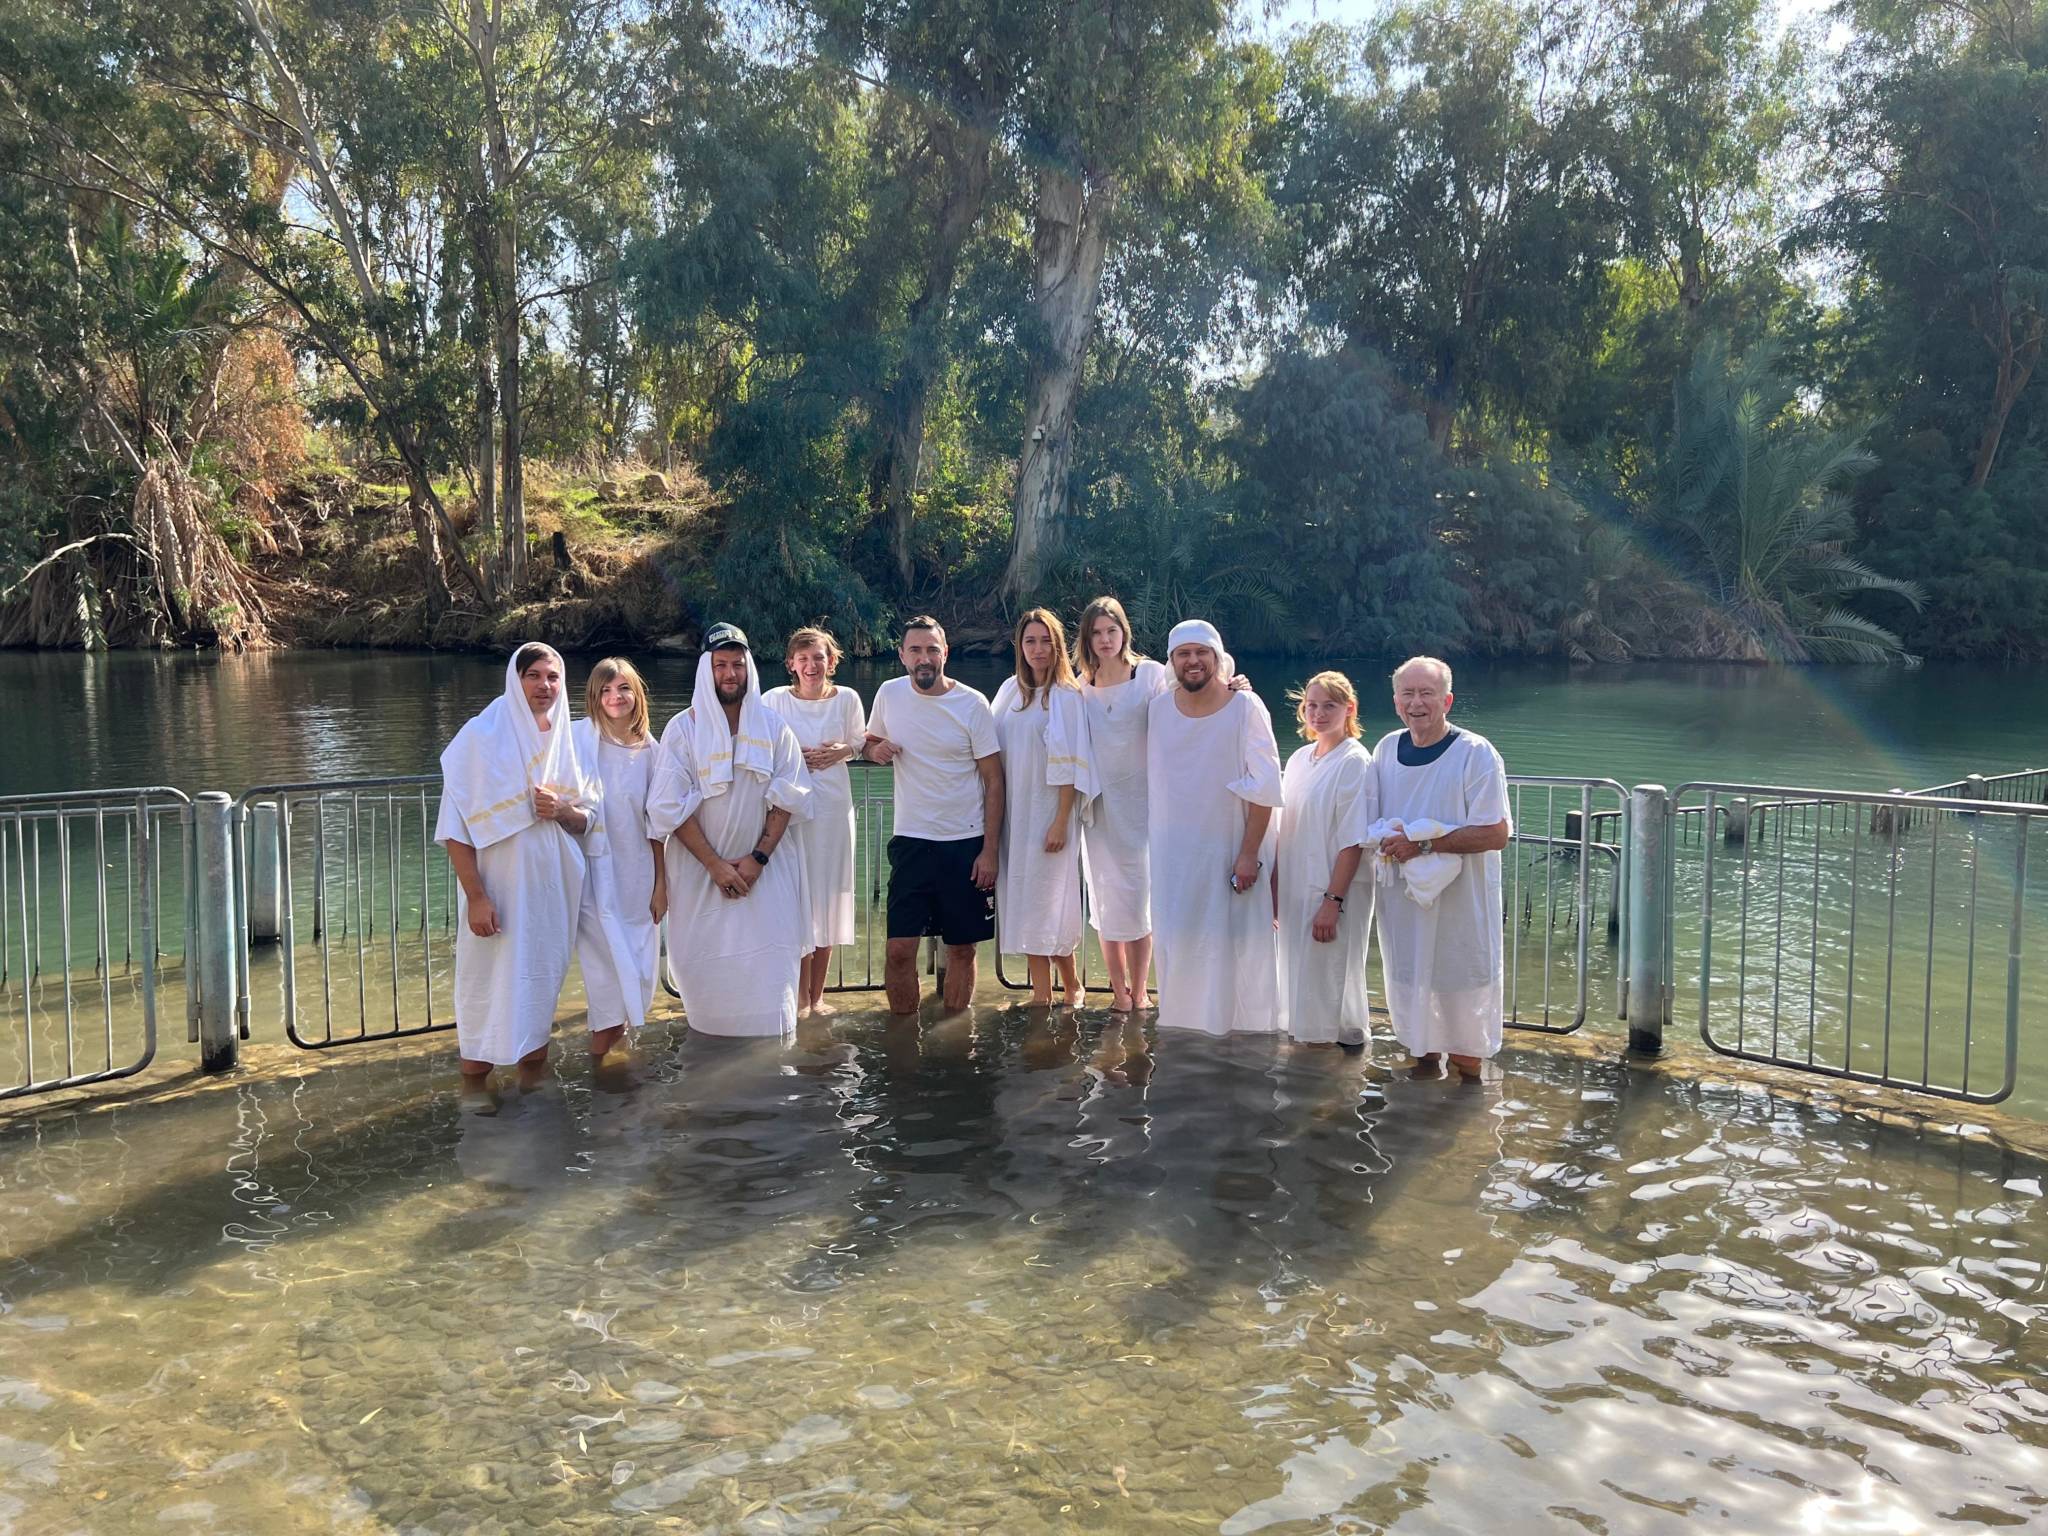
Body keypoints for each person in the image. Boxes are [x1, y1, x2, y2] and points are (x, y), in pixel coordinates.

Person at [435, 643, 600, 1081]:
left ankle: (533, 1101)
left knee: (539, 990)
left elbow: (589, 818)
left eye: (552, 676)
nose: (544, 685)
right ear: (516, 679)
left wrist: (563, 810)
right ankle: (476, 1104)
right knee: (484, 991)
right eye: (534, 676)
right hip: (497, 892)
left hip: (552, 892)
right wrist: (476, 897)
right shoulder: (479, 737)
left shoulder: (571, 740)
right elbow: (454, 829)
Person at [647, 623, 813, 1037]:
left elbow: (789, 796)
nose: (730, 673)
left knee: (771, 987)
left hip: (767, 875)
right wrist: (715, 865)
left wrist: (757, 859)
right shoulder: (683, 729)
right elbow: (668, 806)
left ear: (748, 668)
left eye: (737, 664)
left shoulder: (774, 727)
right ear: (706, 669)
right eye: (720, 665)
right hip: (699, 879)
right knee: (708, 993)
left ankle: (777, 1066)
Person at [1369, 656, 1512, 1081]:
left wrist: (1424, 844)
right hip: (1404, 904)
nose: (1417, 703)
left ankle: (1469, 1101)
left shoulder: (1475, 753)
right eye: (1408, 694)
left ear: (1447, 700)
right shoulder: (1386, 749)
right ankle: (1422, 1087)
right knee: (1414, 1005)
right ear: (1396, 702)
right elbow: (1373, 819)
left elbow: (1496, 833)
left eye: (1427, 693)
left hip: (1461, 907)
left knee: (1464, 1007)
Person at [1145, 619, 1284, 1036]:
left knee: (1235, 949)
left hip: (1230, 853)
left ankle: (1239, 1041)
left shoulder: (1246, 707)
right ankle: (1183, 1038)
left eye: (1201, 652)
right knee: (1179, 944)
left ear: (1218, 657)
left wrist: (1249, 854)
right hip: (1173, 860)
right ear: (1172, 661)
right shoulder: (1157, 710)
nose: (1193, 661)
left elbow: (1266, 788)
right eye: (1183, 653)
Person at [864, 615, 1003, 1014]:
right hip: (911, 841)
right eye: (915, 650)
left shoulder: (972, 703)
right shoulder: (889, 694)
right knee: (899, 950)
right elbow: (870, 740)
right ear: (902, 655)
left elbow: (994, 780)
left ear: (946, 653)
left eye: (931, 650)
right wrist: (873, 750)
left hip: (964, 842)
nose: (924, 658)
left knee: (961, 949)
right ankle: (902, 1041)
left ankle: (956, 1040)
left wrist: (989, 850)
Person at [991, 608, 1099, 1007]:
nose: (1038, 649)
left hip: (1051, 812)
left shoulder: (1066, 696)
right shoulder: (1009, 692)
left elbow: (1072, 762)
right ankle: (1050, 992)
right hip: (1015, 814)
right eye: (1030, 641)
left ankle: (1063, 989)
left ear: (1057, 646)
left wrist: (1060, 821)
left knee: (1048, 901)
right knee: (1024, 899)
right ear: (1020, 646)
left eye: (1046, 641)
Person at [1072, 596, 1172, 1012]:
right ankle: (1119, 992)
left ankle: (1142, 988)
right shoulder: (1081, 687)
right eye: (1096, 632)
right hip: (1099, 810)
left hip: (1143, 806)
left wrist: (1233, 684)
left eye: (1111, 630)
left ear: (1123, 632)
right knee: (1106, 900)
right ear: (1087, 638)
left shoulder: (1149, 675)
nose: (1105, 639)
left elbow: (1186, 706)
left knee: (1138, 899)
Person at [764, 627, 866, 1016]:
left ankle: (817, 996)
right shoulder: (773, 700)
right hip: (789, 817)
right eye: (803, 659)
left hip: (834, 812)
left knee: (828, 900)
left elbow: (860, 742)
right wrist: (790, 759)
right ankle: (797, 997)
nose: (811, 666)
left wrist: (845, 750)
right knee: (797, 900)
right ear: (791, 664)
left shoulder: (848, 699)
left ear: (831, 661)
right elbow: (760, 747)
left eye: (819, 657)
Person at [571, 657, 667, 1060]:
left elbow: (657, 824)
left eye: (623, 688)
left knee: (635, 978)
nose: (615, 697)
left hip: (636, 880)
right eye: (606, 690)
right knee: (606, 988)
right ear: (595, 697)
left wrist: (661, 885)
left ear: (636, 693)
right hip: (592, 882)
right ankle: (605, 1077)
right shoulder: (577, 742)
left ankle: (619, 1073)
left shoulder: (652, 752)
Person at [1275, 671, 1376, 1047]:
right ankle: (1307, 1053)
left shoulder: (1354, 761)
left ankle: (1333, 1061)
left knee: (1330, 976)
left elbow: (1354, 839)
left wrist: (1333, 901)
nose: (1318, 714)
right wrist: (1275, 889)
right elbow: (1285, 828)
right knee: (1301, 979)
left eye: (1329, 706)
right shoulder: (1300, 758)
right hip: (1296, 886)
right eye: (1312, 705)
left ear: (1349, 709)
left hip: (1334, 889)